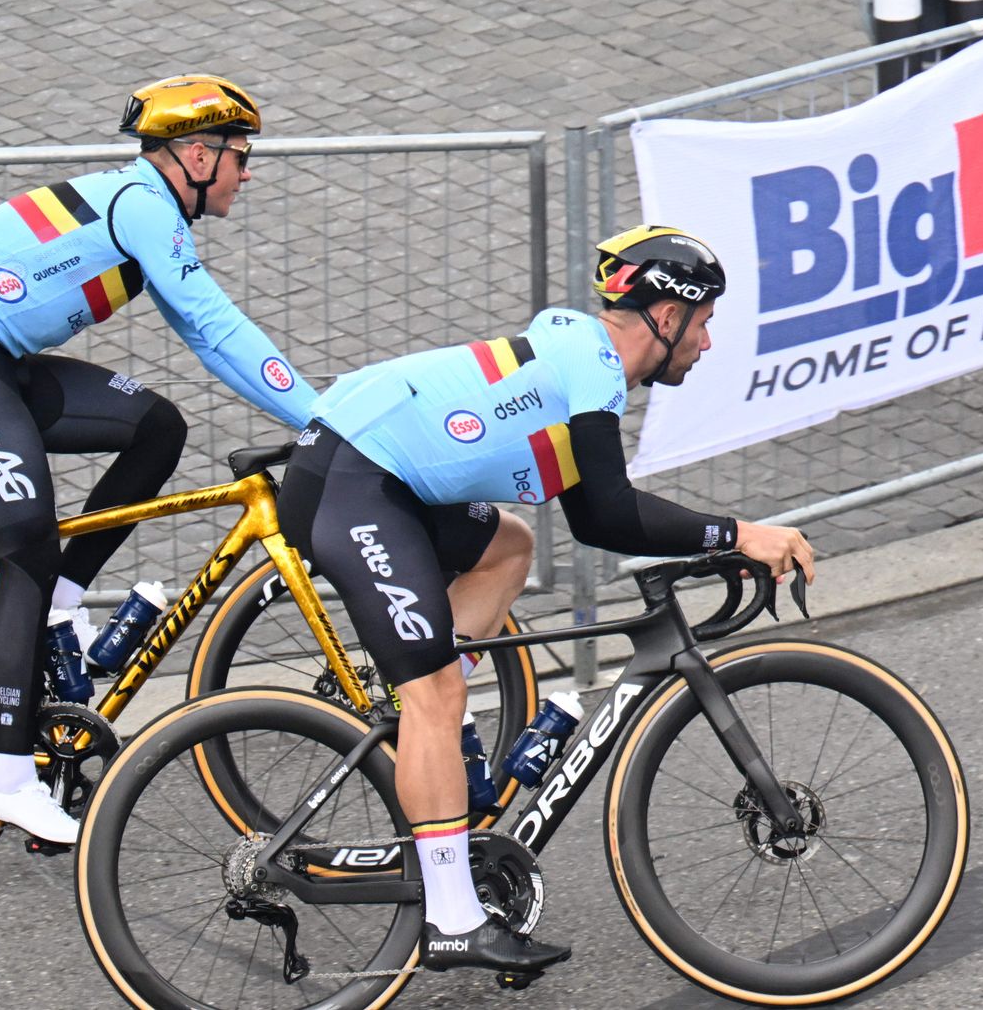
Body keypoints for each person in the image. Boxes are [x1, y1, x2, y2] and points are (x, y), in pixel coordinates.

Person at [276, 224, 815, 974]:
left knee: (510, 546)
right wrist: (739, 533)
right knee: (431, 690)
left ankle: (429, 735)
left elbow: (593, 518)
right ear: (667, 316)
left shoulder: (578, 358)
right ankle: (455, 918)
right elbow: (617, 515)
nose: (708, 341)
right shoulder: (592, 367)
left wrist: (716, 540)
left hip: (380, 473)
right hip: (356, 481)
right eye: (706, 321)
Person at [0, 75, 318, 844]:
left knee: (157, 426)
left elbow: (205, 335)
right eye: (239, 156)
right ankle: (7, 776)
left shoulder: (144, 204)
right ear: (195, 152)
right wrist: (324, 417)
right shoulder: (144, 204)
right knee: (26, 552)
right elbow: (213, 328)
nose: (246, 173)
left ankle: (61, 602)